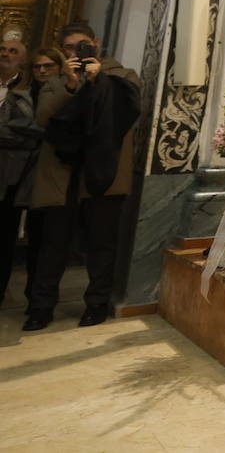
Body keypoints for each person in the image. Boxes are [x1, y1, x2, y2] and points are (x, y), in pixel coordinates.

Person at [24, 23, 141, 331]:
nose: (78, 52)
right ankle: (41, 306)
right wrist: (72, 84)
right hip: (62, 176)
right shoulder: (58, 79)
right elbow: (42, 116)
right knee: (53, 246)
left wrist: (98, 79)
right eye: (72, 48)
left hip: (105, 173)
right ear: (64, 51)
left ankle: (97, 304)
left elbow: (129, 107)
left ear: (97, 42)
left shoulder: (121, 75)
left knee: (102, 246)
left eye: (84, 45)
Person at [0, 38, 43, 309]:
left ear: (22, 61)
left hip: (8, 177)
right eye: (2, 49)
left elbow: (30, 134)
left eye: (13, 51)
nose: (5, 54)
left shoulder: (28, 92)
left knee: (3, 238)